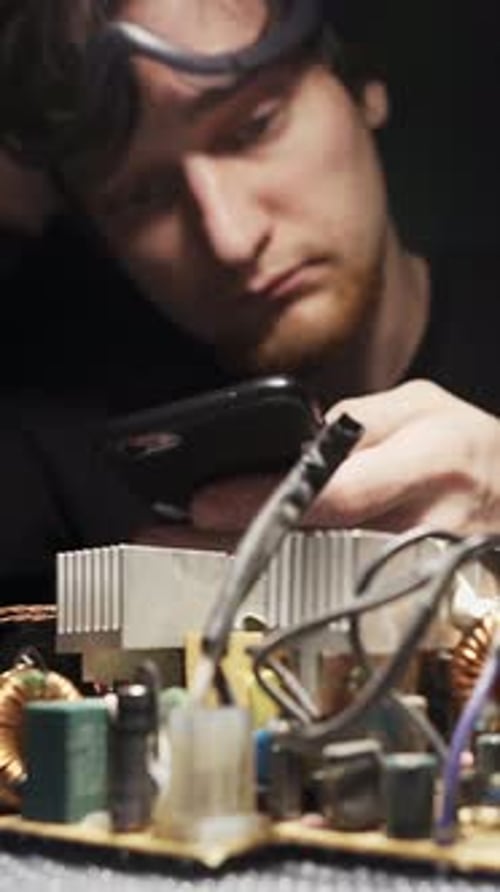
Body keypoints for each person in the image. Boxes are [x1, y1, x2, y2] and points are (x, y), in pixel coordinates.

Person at [0, 0, 498, 605]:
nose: (231, 239)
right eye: (142, 197)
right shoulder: (50, 464)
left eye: (255, 126)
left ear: (361, 83)